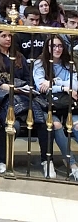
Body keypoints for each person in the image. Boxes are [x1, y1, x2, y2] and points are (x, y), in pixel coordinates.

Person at [0, 30, 50, 176]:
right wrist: (1, 85)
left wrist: (24, 88)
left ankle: (43, 160)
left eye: (10, 36)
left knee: (34, 122)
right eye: (3, 36)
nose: (7, 39)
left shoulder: (19, 56)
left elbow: (29, 79)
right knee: (9, 123)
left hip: (20, 98)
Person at [33, 35, 78, 180]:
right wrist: (65, 87)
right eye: (53, 46)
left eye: (60, 46)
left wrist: (54, 82)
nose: (57, 49)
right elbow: (41, 87)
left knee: (76, 125)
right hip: (47, 106)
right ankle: (72, 165)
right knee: (56, 125)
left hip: (68, 105)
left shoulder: (69, 63)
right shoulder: (40, 64)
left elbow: (76, 85)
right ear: (47, 47)